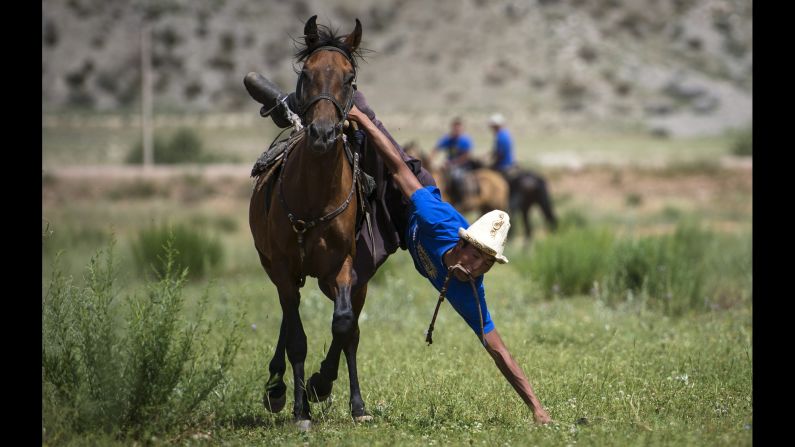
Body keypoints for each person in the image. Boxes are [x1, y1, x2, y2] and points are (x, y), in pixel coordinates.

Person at [347, 104, 553, 426]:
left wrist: (537, 408)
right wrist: (360, 118)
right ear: (462, 242)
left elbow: (498, 349)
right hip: (408, 191)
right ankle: (349, 107)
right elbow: (400, 170)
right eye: (475, 254)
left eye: (485, 263)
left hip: (398, 231)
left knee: (350, 280)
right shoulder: (437, 219)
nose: (475, 266)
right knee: (364, 139)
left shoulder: (470, 290)